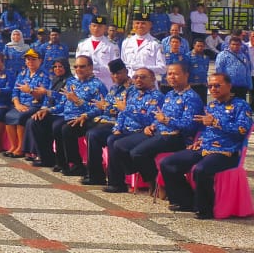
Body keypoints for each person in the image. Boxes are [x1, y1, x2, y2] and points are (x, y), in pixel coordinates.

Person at [160, 73, 253, 219]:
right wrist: (199, 140)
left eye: (217, 85)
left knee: (201, 170)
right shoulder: (211, 105)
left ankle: (205, 209)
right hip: (204, 148)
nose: (213, 89)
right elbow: (206, 129)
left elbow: (241, 130)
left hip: (226, 151)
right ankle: (186, 201)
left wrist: (216, 122)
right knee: (168, 163)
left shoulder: (241, 105)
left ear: (229, 86)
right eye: (210, 86)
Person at [29, 55, 106, 174]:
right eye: (76, 66)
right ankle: (47, 158)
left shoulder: (98, 85)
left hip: (83, 117)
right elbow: (62, 103)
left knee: (63, 128)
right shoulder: (72, 82)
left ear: (90, 68)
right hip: (66, 115)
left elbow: (101, 108)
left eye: (82, 66)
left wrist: (78, 102)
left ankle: (75, 165)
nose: (78, 69)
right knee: (37, 120)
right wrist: (48, 110)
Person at [101, 68, 164, 192]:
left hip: (143, 131)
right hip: (128, 130)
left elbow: (149, 120)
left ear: (153, 79)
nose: (138, 80)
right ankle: (117, 182)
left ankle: (139, 175)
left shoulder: (157, 97)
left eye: (143, 77)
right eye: (136, 77)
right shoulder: (134, 94)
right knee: (111, 138)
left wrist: (126, 109)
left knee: (118, 144)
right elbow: (122, 114)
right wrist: (117, 128)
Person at [3, 50, 49, 158]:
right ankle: (13, 146)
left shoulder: (45, 75)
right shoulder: (22, 74)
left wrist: (30, 91)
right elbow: (15, 91)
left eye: (33, 59)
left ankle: (20, 148)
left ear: (40, 61)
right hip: (21, 104)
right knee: (8, 115)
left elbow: (43, 96)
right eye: (28, 59)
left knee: (21, 117)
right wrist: (17, 104)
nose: (30, 62)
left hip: (35, 105)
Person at [122, 12, 166, 86]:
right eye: (137, 23)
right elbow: (123, 65)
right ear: (133, 25)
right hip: (130, 83)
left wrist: (144, 68)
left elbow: (162, 68)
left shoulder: (156, 44)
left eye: (143, 23)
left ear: (150, 25)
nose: (140, 26)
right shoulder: (126, 42)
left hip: (148, 84)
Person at [76, 15, 120, 89]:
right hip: (86, 81)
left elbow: (115, 66)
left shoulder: (112, 45)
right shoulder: (82, 44)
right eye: (94, 26)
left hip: (104, 82)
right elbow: (78, 64)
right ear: (90, 27)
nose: (96, 29)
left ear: (105, 28)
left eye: (100, 26)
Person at [214, 35, 252, 102]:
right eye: (233, 44)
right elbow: (219, 70)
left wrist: (249, 85)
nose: (235, 46)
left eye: (237, 45)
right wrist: (220, 85)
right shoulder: (222, 55)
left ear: (240, 45)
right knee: (228, 105)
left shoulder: (243, 56)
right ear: (229, 45)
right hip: (229, 86)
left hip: (242, 87)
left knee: (241, 105)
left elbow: (247, 71)